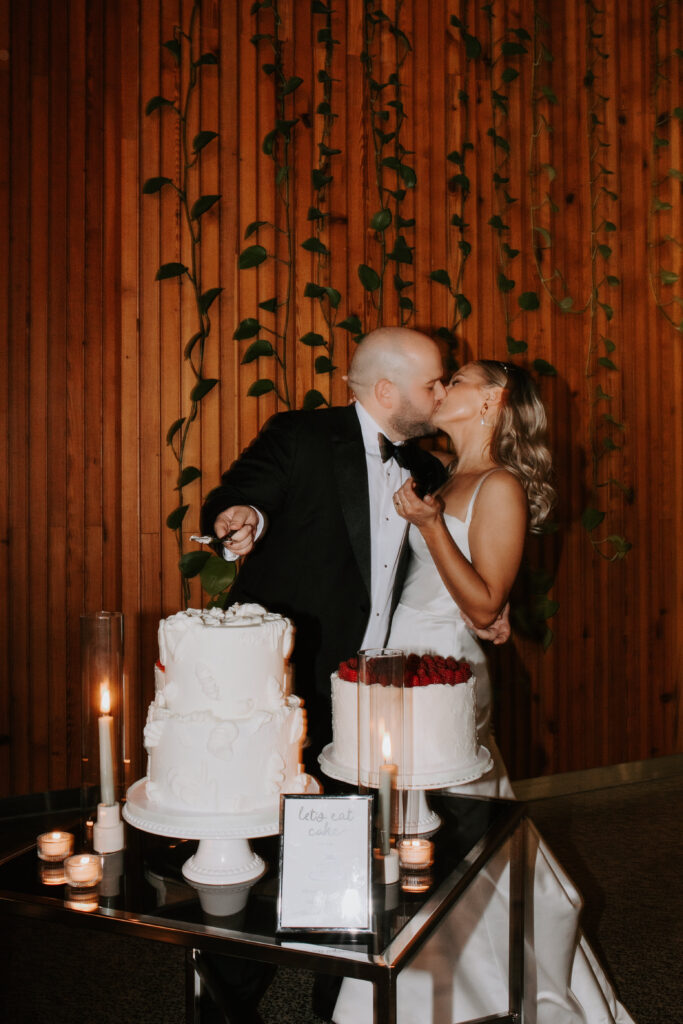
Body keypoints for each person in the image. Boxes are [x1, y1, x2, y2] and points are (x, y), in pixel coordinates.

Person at [332, 360, 635, 1023]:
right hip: (396, 668)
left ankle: (415, 992)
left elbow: (481, 605)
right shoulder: (440, 474)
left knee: (445, 826)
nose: (439, 391)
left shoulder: (498, 486)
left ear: (492, 402)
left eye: (456, 381)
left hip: (444, 673)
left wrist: (432, 526)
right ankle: (435, 979)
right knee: (420, 828)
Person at [200, 327, 507, 768]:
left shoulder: (426, 467)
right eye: (431, 384)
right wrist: (240, 514)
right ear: (386, 391)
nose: (442, 392)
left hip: (370, 687)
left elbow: (457, 542)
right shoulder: (301, 434)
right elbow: (238, 493)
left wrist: (497, 601)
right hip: (282, 677)